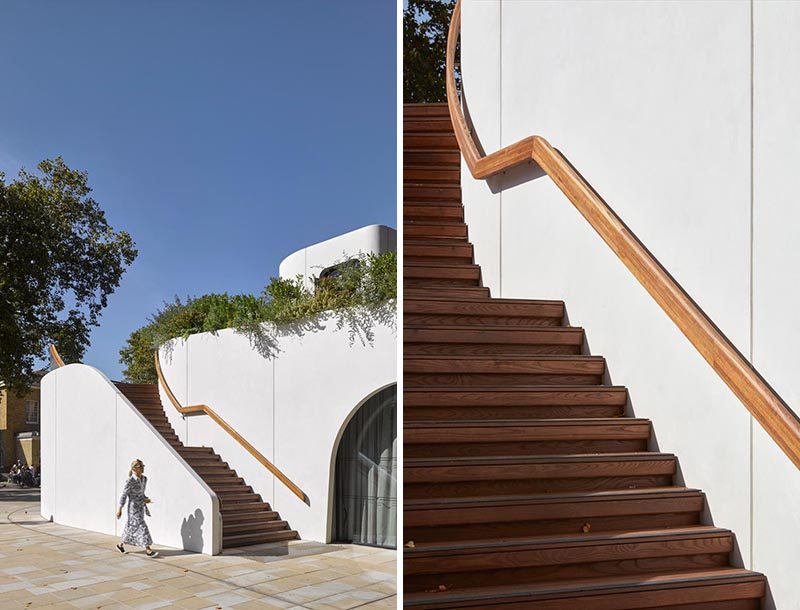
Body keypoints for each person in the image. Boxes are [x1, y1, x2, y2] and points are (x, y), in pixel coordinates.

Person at [115, 459, 158, 557]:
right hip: (133, 508)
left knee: (130, 527)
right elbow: (124, 495)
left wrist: (145, 499)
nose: (143, 468)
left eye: (143, 466)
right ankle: (148, 549)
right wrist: (120, 509)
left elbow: (141, 493)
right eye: (140, 467)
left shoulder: (144, 479)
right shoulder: (130, 481)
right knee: (142, 526)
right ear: (134, 469)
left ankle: (120, 545)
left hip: (141, 507)